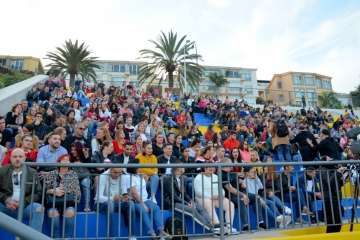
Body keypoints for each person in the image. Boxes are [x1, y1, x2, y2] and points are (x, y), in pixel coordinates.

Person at [0, 148, 44, 232]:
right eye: (15, 156)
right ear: (10, 158)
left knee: (39, 208)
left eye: (20, 156)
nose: (17, 159)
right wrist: (6, 199)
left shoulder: (32, 172)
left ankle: (32, 238)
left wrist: (24, 201)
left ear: (24, 158)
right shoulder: (2, 171)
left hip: (25, 206)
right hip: (5, 205)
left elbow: (38, 192)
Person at [162, 162, 215, 231]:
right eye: (182, 168)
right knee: (192, 210)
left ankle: (210, 223)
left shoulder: (182, 178)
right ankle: (210, 228)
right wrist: (187, 203)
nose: (184, 169)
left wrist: (190, 201)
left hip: (182, 201)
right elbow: (174, 196)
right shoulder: (168, 179)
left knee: (200, 207)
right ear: (177, 169)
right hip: (173, 204)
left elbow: (184, 194)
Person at [124, 160, 170, 238]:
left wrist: (144, 178)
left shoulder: (139, 175)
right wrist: (143, 204)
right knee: (143, 210)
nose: (140, 167)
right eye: (139, 166)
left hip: (145, 199)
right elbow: (134, 194)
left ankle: (161, 231)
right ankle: (151, 233)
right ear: (133, 167)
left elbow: (142, 187)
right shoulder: (128, 177)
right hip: (135, 201)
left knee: (156, 207)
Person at [43, 154, 81, 238]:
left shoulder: (73, 174)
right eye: (63, 160)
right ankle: (55, 238)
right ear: (59, 162)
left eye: (68, 160)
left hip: (68, 202)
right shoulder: (51, 174)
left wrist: (64, 190)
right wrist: (53, 191)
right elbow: (44, 190)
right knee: (52, 213)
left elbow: (77, 192)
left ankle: (66, 238)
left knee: (70, 212)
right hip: (53, 202)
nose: (66, 161)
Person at [95, 167, 137, 240]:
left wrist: (126, 197)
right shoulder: (103, 176)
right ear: (110, 170)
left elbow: (124, 192)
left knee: (130, 203)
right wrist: (112, 198)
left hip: (116, 203)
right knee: (110, 203)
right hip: (101, 204)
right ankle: (111, 237)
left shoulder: (122, 176)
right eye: (115, 172)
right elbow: (98, 197)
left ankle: (132, 236)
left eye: (119, 172)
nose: (117, 175)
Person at [194, 165, 237, 234]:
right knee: (208, 203)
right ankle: (218, 227)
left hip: (216, 198)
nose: (211, 171)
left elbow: (222, 189)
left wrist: (221, 195)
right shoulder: (198, 178)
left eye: (212, 169)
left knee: (230, 204)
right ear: (205, 169)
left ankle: (229, 227)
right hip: (203, 198)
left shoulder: (216, 176)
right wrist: (210, 196)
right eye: (209, 169)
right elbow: (198, 192)